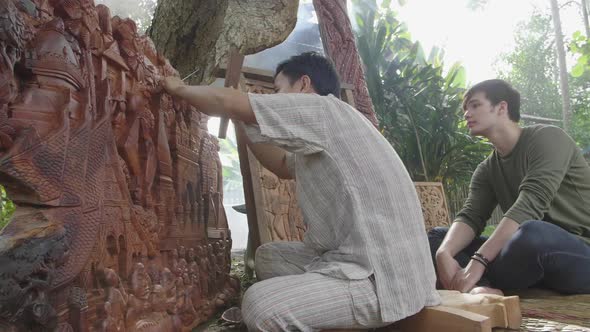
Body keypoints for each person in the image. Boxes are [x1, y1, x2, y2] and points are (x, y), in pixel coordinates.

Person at [160, 52, 440, 331]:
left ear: (304, 85)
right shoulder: (330, 130)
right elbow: (281, 164)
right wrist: (241, 119)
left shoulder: (323, 109)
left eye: (279, 90)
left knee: (260, 304)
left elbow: (228, 101)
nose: (276, 96)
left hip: (383, 280)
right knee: (269, 255)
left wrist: (177, 87)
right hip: (361, 262)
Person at [429, 79, 590, 296]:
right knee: (437, 237)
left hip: (577, 250)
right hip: (524, 253)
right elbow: (470, 216)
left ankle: (477, 282)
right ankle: (482, 289)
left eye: (475, 105)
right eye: (465, 108)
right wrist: (444, 253)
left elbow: (531, 204)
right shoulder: (486, 170)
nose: (467, 113)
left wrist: (478, 261)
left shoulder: (549, 138)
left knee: (533, 233)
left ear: (502, 107)